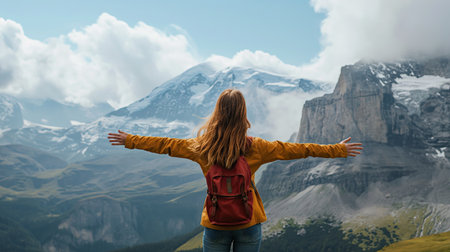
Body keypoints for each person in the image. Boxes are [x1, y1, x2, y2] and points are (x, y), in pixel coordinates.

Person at [108, 89, 363, 252]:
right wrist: (336, 150)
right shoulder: (258, 147)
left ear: (217, 112)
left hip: (216, 223)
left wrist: (130, 140)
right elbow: (298, 149)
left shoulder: (199, 147)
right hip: (248, 221)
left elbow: (165, 145)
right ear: (243, 114)